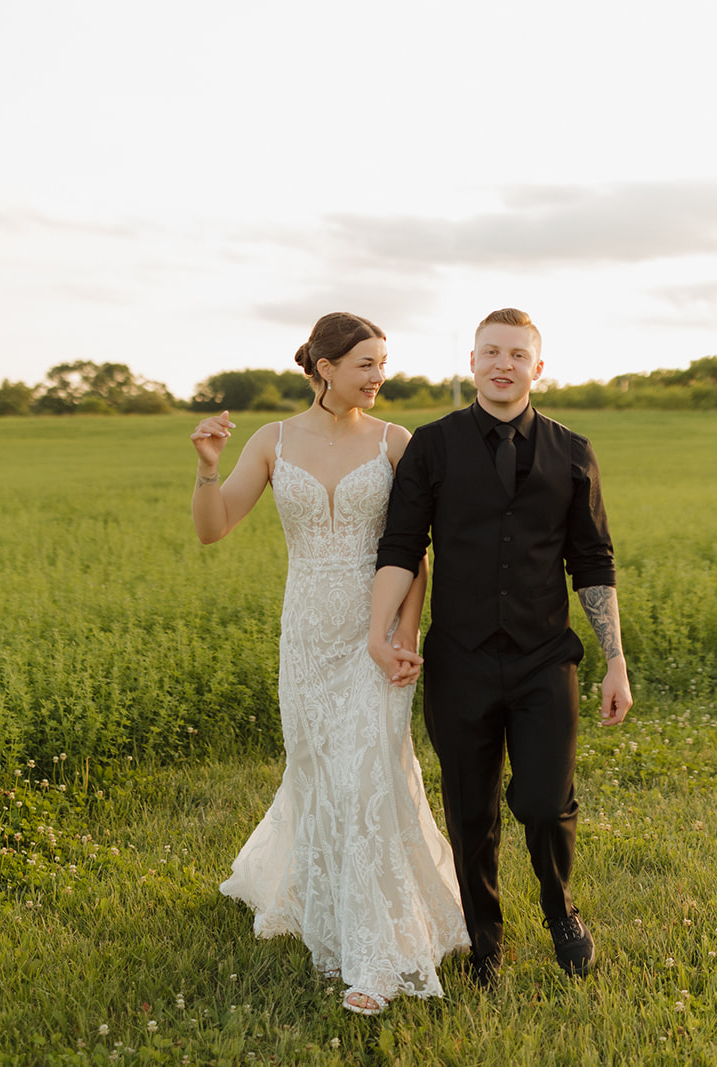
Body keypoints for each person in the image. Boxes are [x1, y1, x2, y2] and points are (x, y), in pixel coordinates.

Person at [192, 312, 470, 1016]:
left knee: (371, 774)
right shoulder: (272, 441)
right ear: (323, 365)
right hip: (307, 636)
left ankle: (375, 958)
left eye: (383, 362)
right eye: (366, 365)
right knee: (320, 770)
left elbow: (416, 550)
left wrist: (407, 633)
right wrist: (206, 468)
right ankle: (314, 895)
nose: (381, 376)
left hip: (375, 634)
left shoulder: (395, 442)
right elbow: (214, 527)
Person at [368, 307, 633, 988]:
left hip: (546, 658)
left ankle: (560, 908)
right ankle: (484, 939)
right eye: (492, 351)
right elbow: (402, 546)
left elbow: (593, 559)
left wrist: (615, 659)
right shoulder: (432, 446)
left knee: (546, 800)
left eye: (518, 353)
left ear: (537, 368)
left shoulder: (572, 451)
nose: (503, 364)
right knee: (471, 809)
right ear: (473, 361)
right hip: (460, 661)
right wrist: (384, 630)